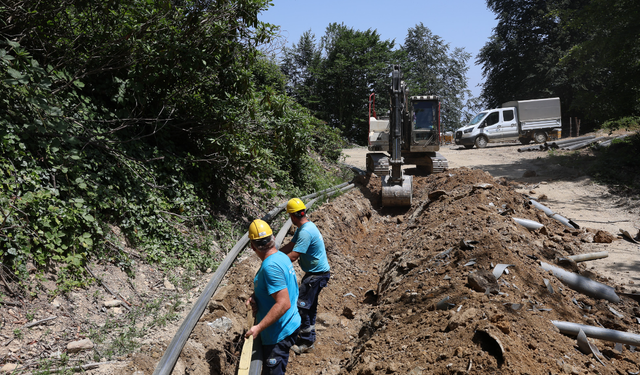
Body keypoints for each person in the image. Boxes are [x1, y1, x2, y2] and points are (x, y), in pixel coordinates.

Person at [245, 219, 301, 374]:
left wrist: (258, 328)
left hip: (278, 334)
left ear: (252, 246)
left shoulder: (270, 267)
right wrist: (255, 296)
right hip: (289, 324)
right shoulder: (281, 257)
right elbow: (278, 287)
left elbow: (283, 303)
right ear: (273, 238)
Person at [279, 198, 331, 355]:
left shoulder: (305, 232)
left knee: (302, 307)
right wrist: (275, 255)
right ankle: (309, 337)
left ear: (293, 217)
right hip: (316, 274)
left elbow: (294, 255)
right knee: (309, 307)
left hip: (316, 276)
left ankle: (307, 342)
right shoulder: (305, 228)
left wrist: (275, 263)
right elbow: (290, 246)